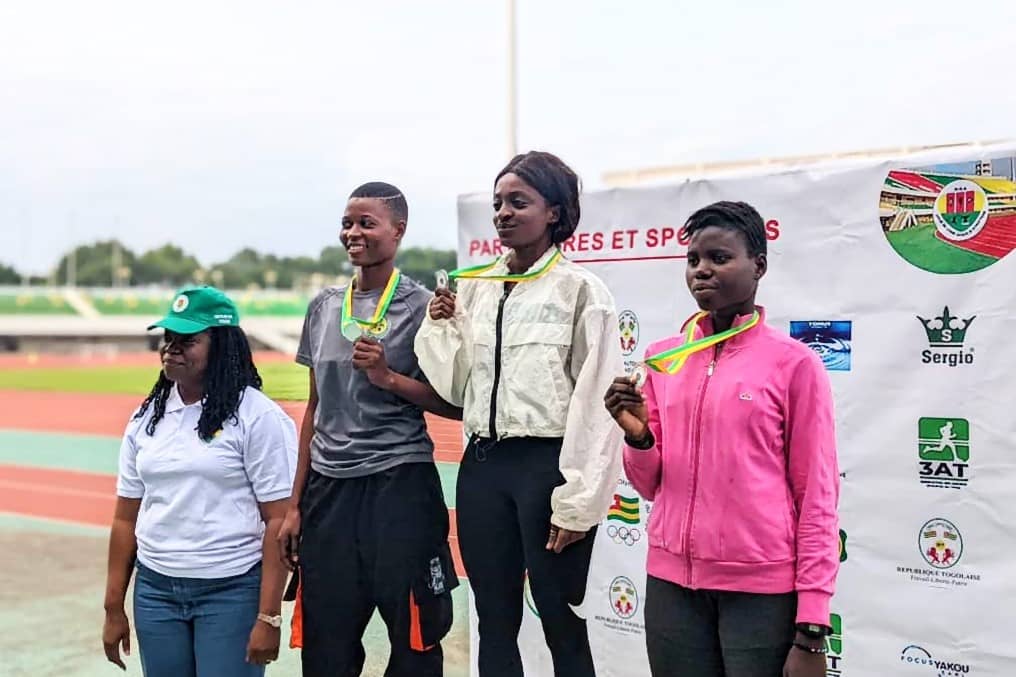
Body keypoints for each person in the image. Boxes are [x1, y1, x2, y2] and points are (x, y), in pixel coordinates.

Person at [603, 201, 839, 677]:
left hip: (759, 593)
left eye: (719, 257)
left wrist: (812, 627)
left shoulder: (793, 364)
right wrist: (640, 439)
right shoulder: (662, 358)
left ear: (759, 267)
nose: (702, 271)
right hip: (671, 589)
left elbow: (817, 496)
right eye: (693, 261)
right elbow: (650, 486)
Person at [416, 151, 624, 677]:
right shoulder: (477, 288)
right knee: (494, 617)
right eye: (497, 204)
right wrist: (442, 327)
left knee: (561, 618)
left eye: (518, 202)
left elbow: (598, 403)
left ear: (554, 212)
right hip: (484, 468)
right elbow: (457, 384)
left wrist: (578, 500)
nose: (503, 213)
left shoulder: (582, 291)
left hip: (547, 469)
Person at [277, 182, 462, 677]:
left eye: (367, 223)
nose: (353, 233)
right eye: (348, 223)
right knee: (325, 642)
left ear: (398, 231)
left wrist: (388, 378)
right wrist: (296, 506)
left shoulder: (425, 307)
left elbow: (456, 403)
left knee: (416, 637)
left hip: (398, 485)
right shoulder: (322, 306)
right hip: (329, 493)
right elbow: (315, 409)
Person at [102, 286, 298, 676]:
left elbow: (279, 522)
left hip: (231, 591)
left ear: (222, 345)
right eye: (168, 339)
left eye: (187, 341)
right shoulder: (146, 418)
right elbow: (125, 518)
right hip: (156, 591)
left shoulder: (258, 417)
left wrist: (269, 617)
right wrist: (113, 608)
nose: (172, 349)